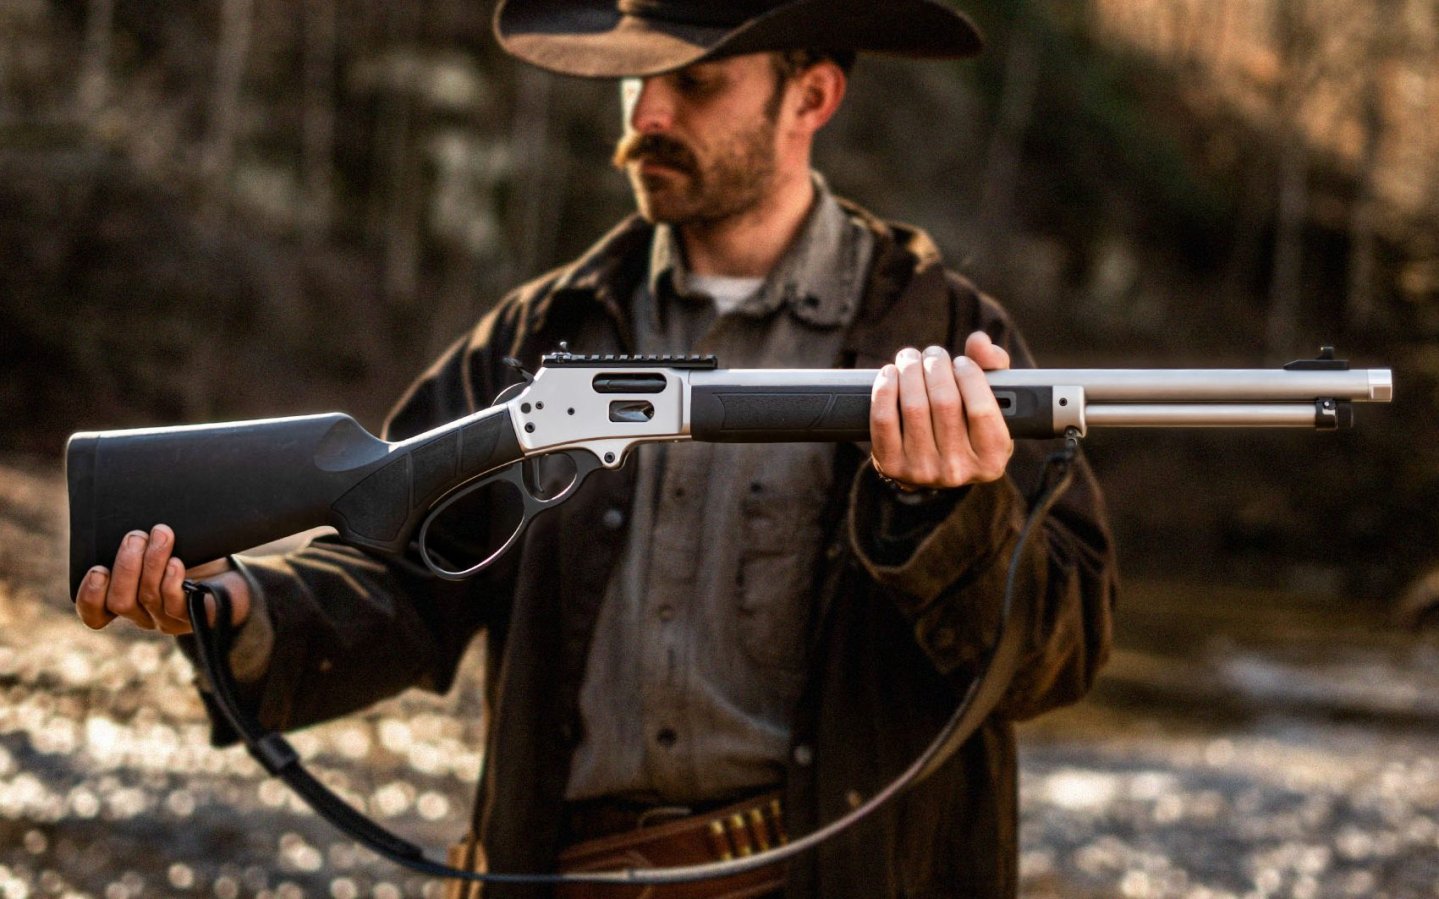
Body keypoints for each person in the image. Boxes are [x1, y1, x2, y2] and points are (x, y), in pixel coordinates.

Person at [75, 1, 1118, 896]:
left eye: (694, 82)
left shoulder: (940, 335)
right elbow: (395, 572)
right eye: (634, 83)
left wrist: (947, 513)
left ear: (810, 99)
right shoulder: (540, 327)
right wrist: (232, 601)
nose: (646, 117)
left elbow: (1062, 649)